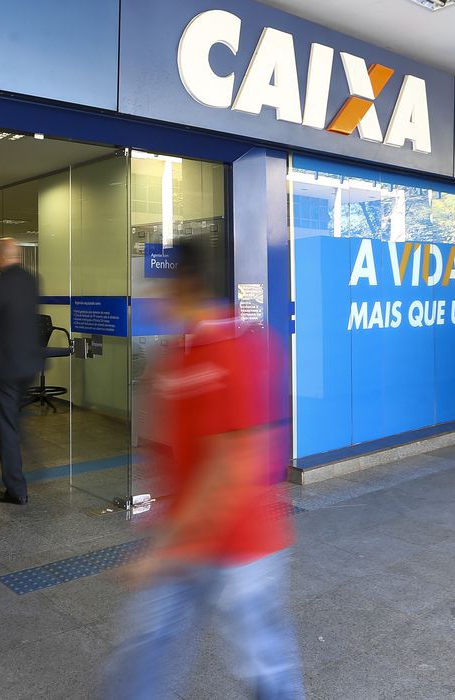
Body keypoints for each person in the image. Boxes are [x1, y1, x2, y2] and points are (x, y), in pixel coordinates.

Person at [101, 237, 303, 699]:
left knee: (266, 667)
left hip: (240, 544)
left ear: (184, 286)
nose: (152, 296)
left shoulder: (238, 348)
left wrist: (165, 547)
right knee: (143, 652)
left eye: (160, 285)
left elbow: (235, 463)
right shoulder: (176, 354)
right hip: (185, 538)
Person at [0, 238, 42, 505]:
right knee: (12, 418)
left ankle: (16, 489)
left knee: (5, 428)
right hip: (28, 364)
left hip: (5, 366)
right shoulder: (31, 280)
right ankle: (22, 454)